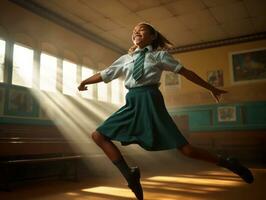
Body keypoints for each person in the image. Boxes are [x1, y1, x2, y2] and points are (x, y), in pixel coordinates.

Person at [78, 22, 254, 200]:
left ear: (153, 36)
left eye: (142, 29)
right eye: (133, 31)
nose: (136, 32)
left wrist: (211, 88)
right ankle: (130, 174)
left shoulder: (159, 55)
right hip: (132, 102)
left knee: (187, 151)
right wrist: (85, 81)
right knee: (98, 135)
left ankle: (229, 163)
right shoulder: (126, 58)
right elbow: (106, 73)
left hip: (150, 100)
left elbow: (186, 73)